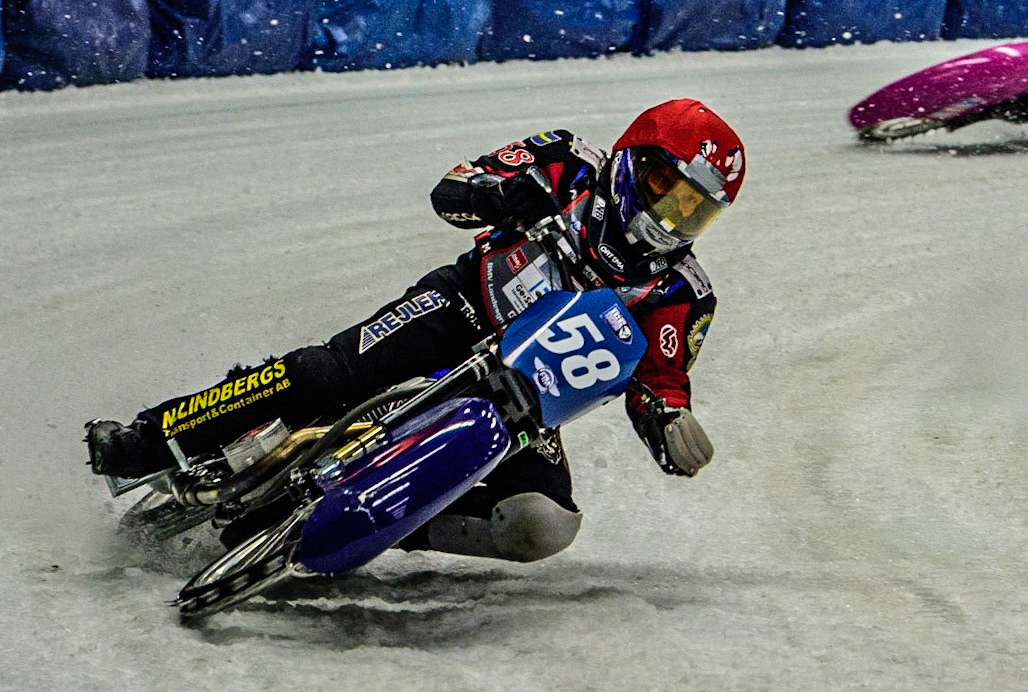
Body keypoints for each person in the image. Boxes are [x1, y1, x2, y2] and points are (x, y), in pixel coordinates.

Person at [86, 99, 744, 562]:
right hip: (458, 310)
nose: (671, 212)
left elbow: (661, 377)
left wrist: (668, 419)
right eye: (664, 184)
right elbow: (453, 187)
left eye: (695, 207)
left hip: (525, 400)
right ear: (634, 156)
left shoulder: (685, 291)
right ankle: (152, 436)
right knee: (324, 375)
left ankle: (381, 525)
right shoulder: (567, 161)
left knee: (541, 524)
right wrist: (493, 196)